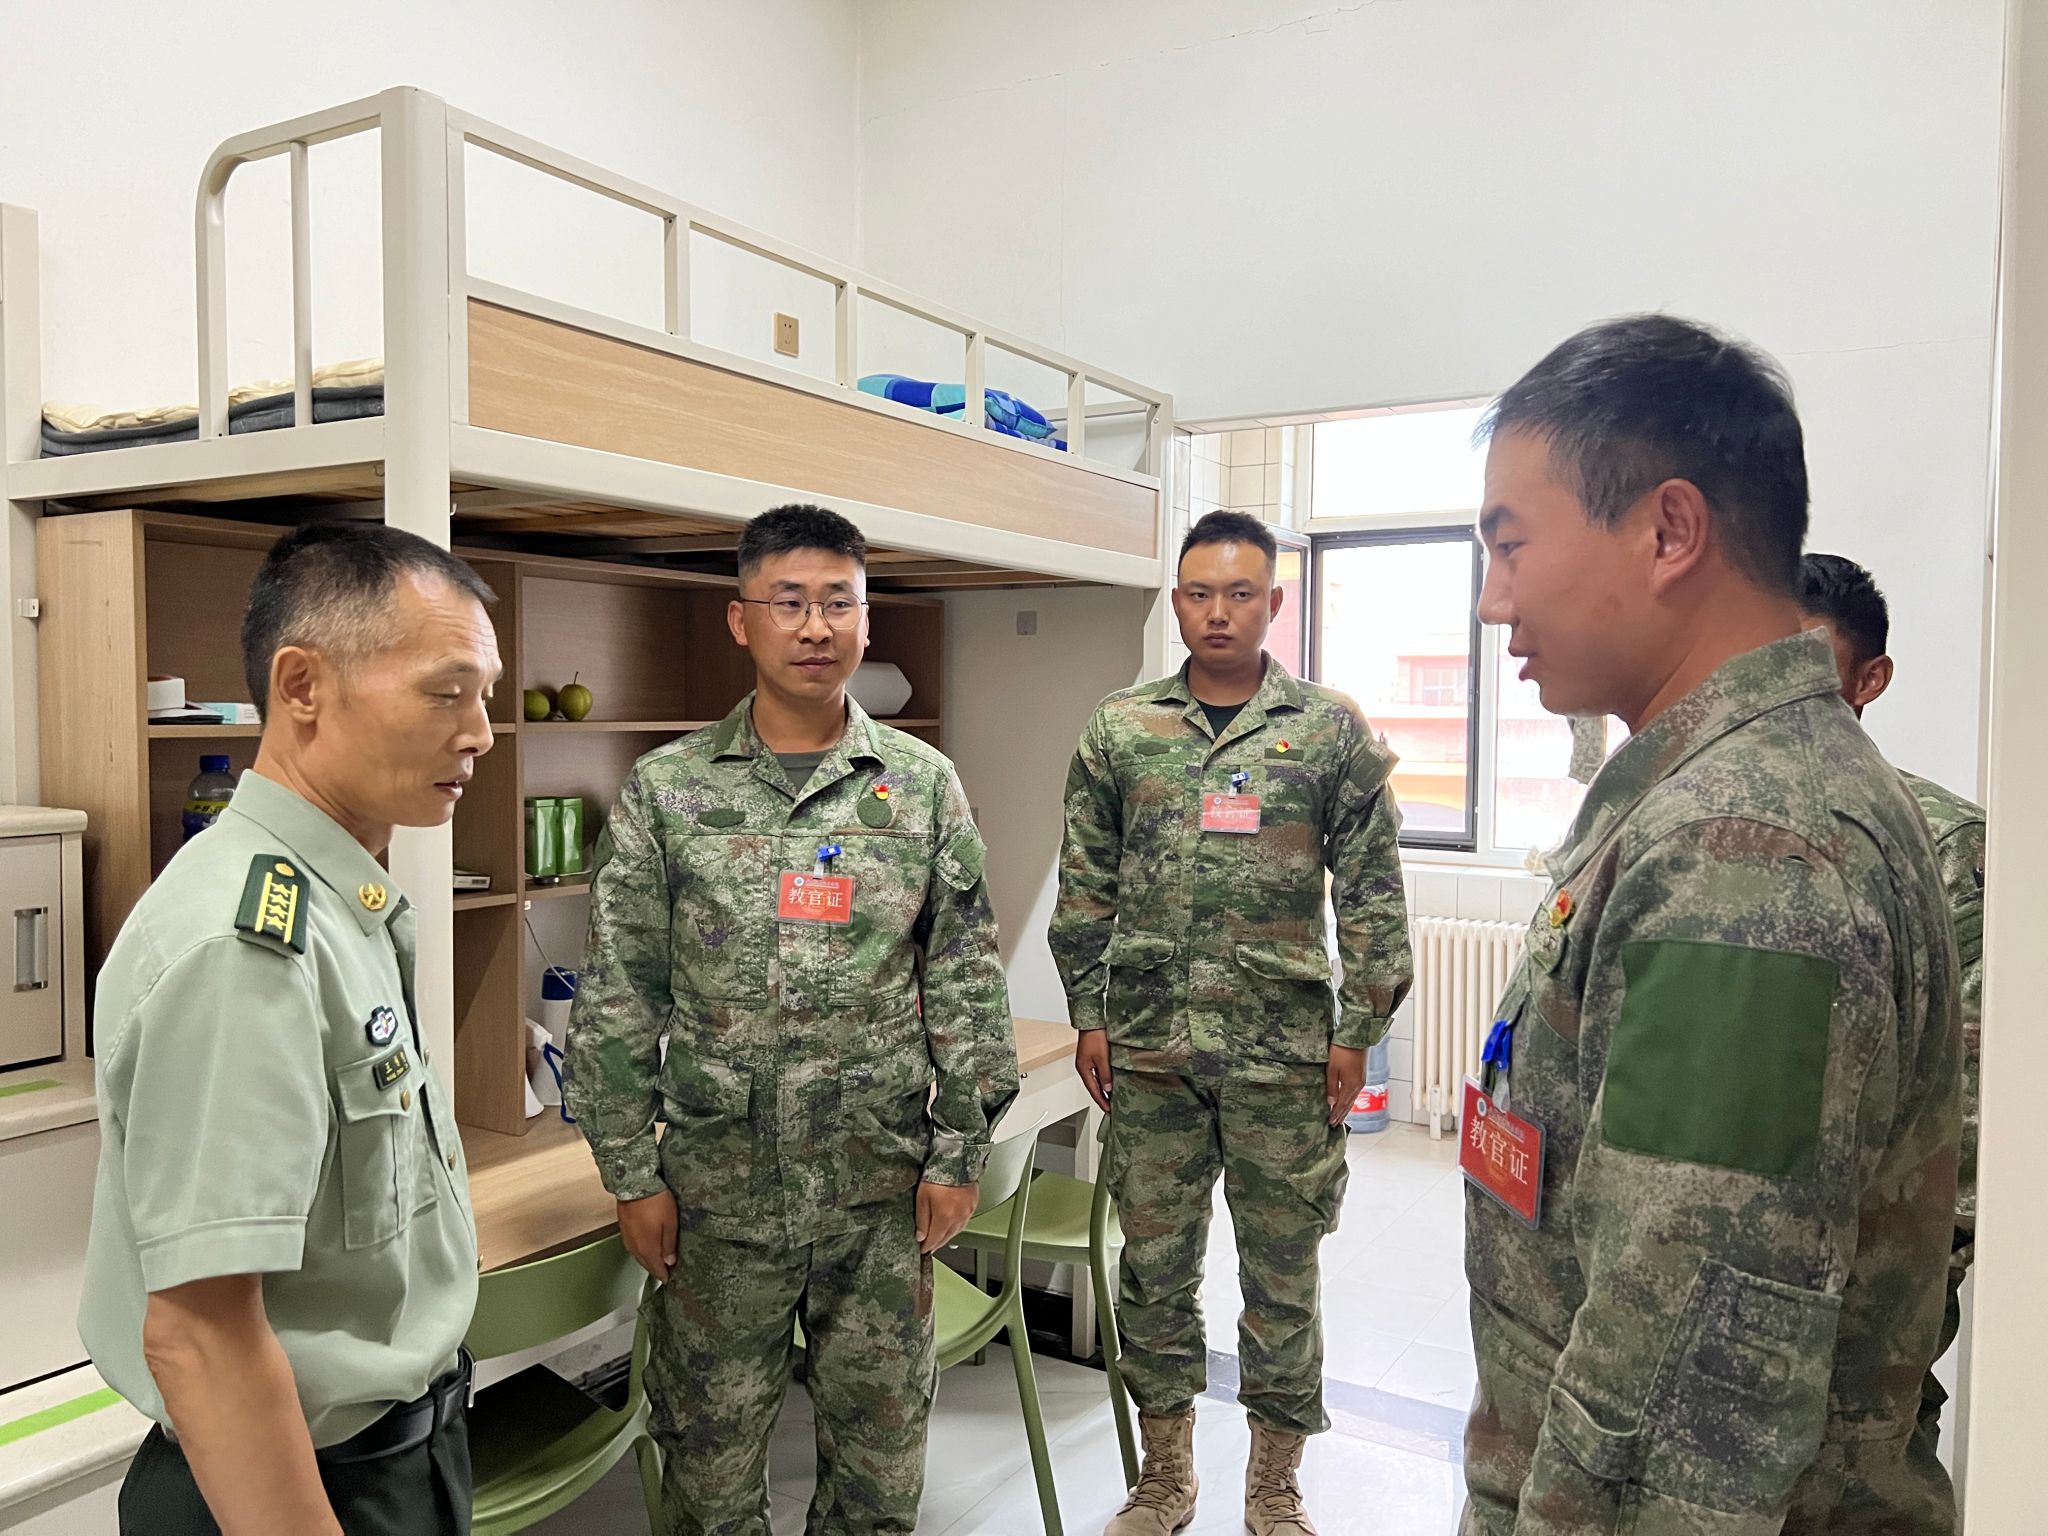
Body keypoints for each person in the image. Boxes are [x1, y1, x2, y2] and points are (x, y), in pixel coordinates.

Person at [1462, 315, 1962, 1534]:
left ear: (1668, 531)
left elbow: (1680, 1404)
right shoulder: (1715, 794)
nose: (1490, 600)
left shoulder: (1745, 846)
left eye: (1510, 545)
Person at [563, 503, 1018, 1536]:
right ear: (741, 620)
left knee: (878, 1480)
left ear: (866, 620)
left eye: (838, 603)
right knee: (709, 1477)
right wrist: (631, 1174)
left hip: (879, 1193)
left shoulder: (920, 787)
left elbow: (964, 978)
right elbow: (620, 994)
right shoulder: (669, 791)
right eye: (789, 602)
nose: (816, 627)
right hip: (718, 1198)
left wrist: (959, 1154)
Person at [79, 523, 500, 1534]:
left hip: (393, 1452)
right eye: (446, 693)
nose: (480, 733)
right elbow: (201, 1338)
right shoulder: (245, 946)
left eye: (484, 695)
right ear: (302, 685)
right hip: (295, 1484)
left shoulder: (336, 905)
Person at [1050, 509, 1413, 1536]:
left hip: (1282, 1057)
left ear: (1273, 603)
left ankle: (1273, 1488)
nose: (1219, 612)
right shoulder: (1122, 729)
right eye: (1201, 594)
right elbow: (1085, 883)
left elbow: (1373, 893)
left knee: (1282, 1278)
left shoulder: (1326, 731)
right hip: (1149, 1051)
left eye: (1240, 593)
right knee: (1153, 1271)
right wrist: (1088, 1012)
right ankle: (1164, 1479)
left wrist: (1357, 1029)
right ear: (1176, 601)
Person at [1799, 551, 1986, 1457]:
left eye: (1805, 663)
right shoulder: (1695, 831)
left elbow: (1973, 1099)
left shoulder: (1941, 845)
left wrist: (1907, 1280)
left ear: (1869, 679)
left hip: (1861, 1309)